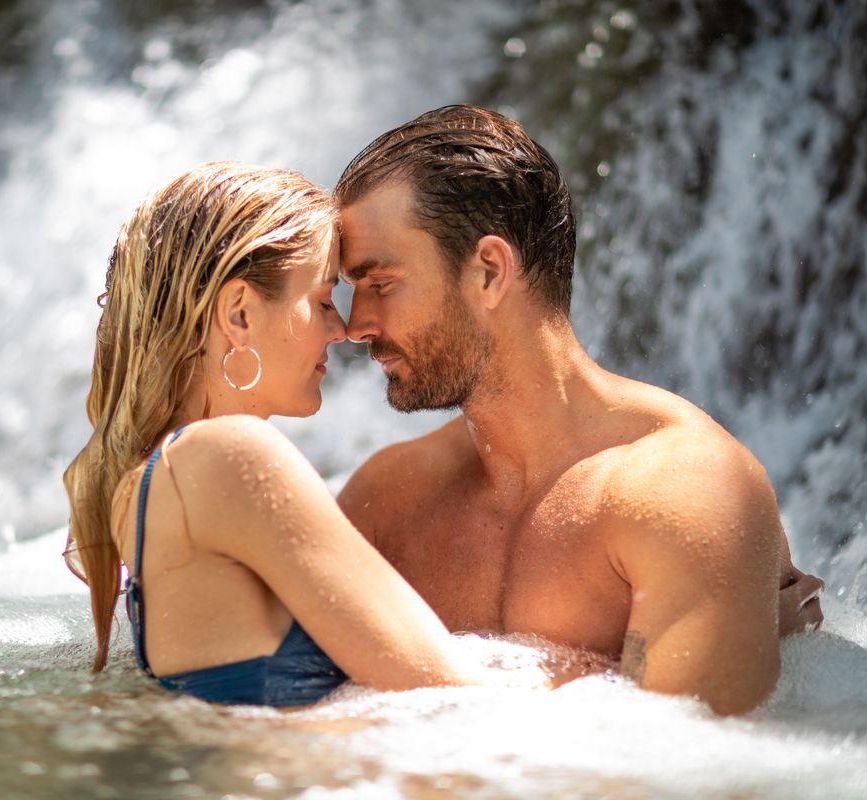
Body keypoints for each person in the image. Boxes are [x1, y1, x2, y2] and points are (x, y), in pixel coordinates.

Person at [332, 104, 825, 716]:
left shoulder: (684, 494)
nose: (355, 326)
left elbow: (682, 776)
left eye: (379, 284)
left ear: (488, 271)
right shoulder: (390, 500)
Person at [61, 162, 530, 708]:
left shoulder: (150, 481)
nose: (343, 329)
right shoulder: (229, 456)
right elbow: (450, 694)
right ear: (238, 314)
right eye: (323, 299)